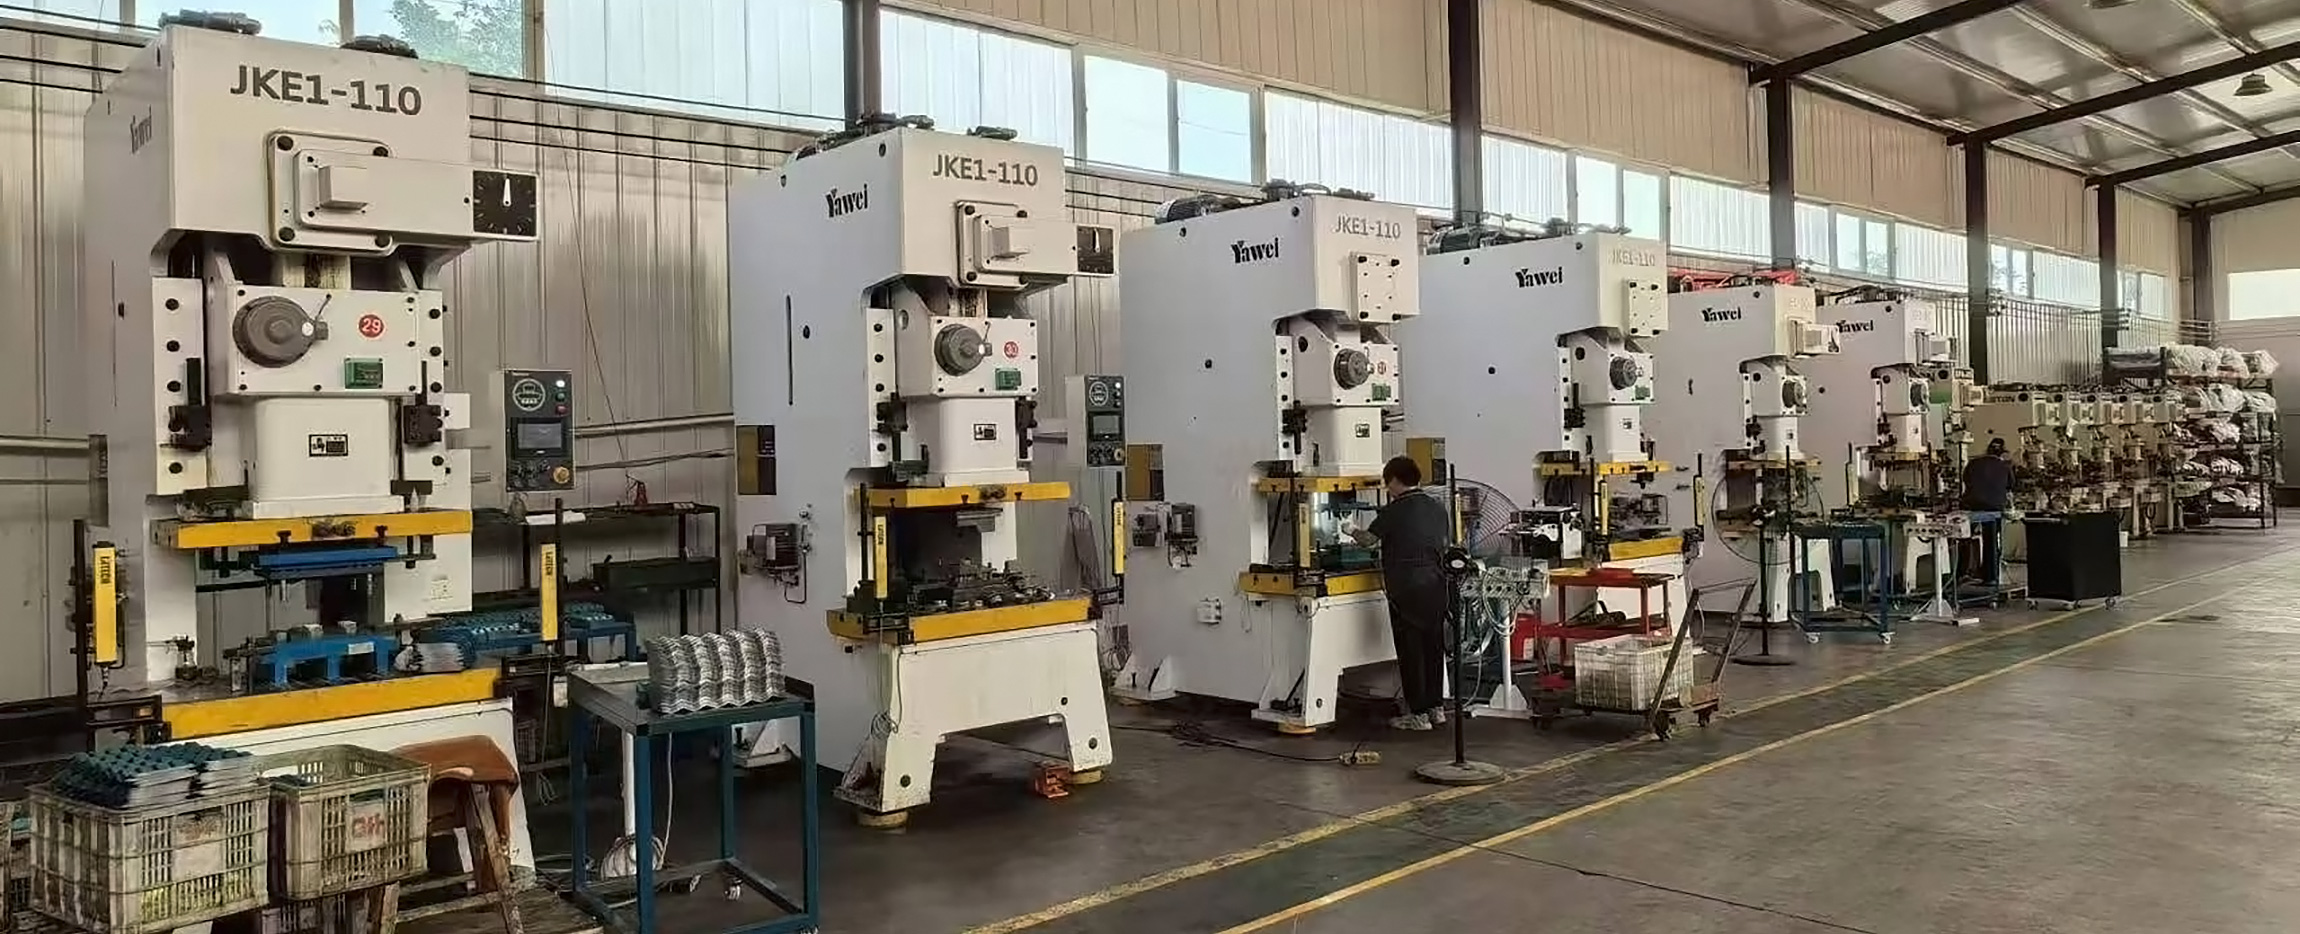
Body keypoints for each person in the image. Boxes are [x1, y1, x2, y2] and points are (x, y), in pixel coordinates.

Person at [1348, 456, 1452, 731]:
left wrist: (1350, 529)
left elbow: (1368, 540)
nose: (1387, 488)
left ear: (1394, 480)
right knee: (1433, 647)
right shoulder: (1437, 507)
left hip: (1407, 589)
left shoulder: (1396, 509)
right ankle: (1436, 709)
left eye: (1387, 483)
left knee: (1411, 651)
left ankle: (1417, 715)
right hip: (1436, 585)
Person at [1960, 437, 2014, 585]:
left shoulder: (1973, 463)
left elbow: (1966, 480)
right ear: (2002, 453)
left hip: (1971, 505)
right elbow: (2010, 486)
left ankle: (1962, 572)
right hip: (1993, 507)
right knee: (1991, 541)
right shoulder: (2005, 466)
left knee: (1964, 537)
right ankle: (1990, 576)